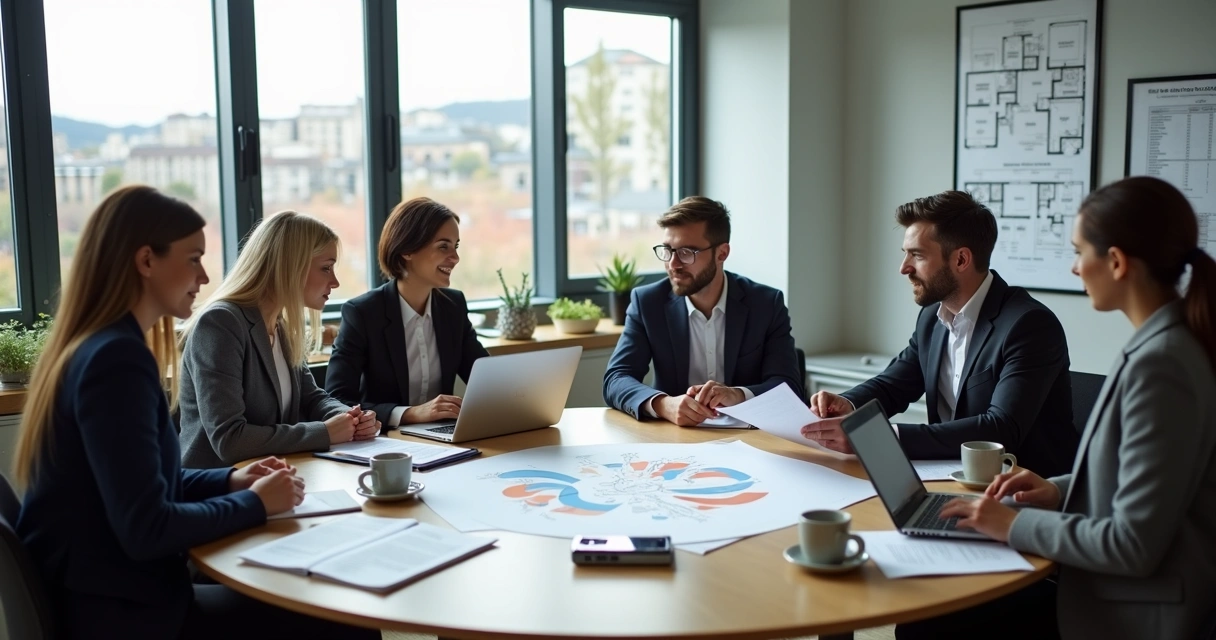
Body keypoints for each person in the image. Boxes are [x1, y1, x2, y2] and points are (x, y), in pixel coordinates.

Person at [12, 186, 377, 639]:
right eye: (193, 258)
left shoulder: (102, 348)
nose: (205, 277)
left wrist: (229, 480)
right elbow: (147, 527)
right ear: (147, 261)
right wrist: (254, 502)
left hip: (110, 591)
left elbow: (152, 481)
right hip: (125, 612)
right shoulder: (117, 361)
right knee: (346, 621)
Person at [902, 177, 1216, 639]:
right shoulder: (1163, 346)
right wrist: (1056, 489)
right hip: (1124, 591)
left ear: (1115, 262)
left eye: (1077, 252)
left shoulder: (1161, 365)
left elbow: (1132, 544)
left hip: (1137, 614)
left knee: (926, 618)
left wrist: (1013, 524)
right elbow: (1134, 483)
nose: (1073, 269)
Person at [802, 190, 1078, 477]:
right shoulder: (931, 318)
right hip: (950, 478)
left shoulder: (1029, 325)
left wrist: (877, 438)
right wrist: (848, 403)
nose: (904, 268)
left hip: (1025, 491)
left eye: (917, 255)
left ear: (961, 260)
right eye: (905, 254)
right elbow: (894, 385)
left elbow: (1000, 428)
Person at [178, 211, 379, 468]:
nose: (335, 282)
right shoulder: (221, 323)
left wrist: (350, 418)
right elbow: (229, 440)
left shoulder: (279, 325)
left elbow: (312, 397)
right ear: (289, 265)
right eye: (326, 268)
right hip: (216, 488)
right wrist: (325, 433)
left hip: (273, 475)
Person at [603, 196, 804, 425]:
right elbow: (616, 379)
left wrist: (737, 394)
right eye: (668, 250)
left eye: (687, 252)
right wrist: (663, 404)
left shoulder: (766, 304)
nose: (673, 264)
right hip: (673, 438)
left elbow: (789, 388)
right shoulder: (648, 302)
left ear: (722, 253)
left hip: (751, 439)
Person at [326, 197, 488, 428]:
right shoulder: (363, 312)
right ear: (407, 250)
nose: (455, 258)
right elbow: (337, 401)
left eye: (456, 246)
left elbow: (485, 379)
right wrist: (410, 414)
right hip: (385, 442)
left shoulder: (453, 306)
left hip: (443, 437)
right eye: (443, 246)